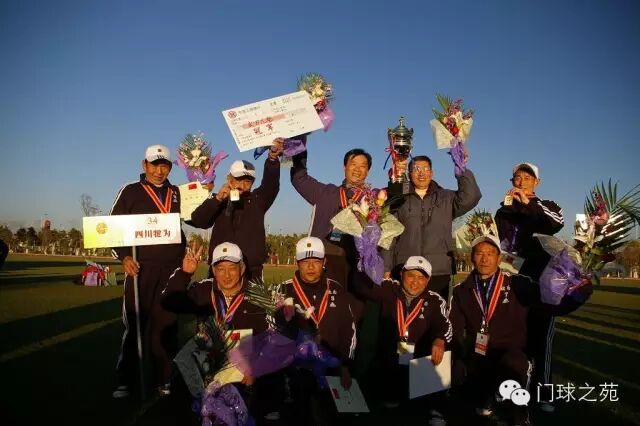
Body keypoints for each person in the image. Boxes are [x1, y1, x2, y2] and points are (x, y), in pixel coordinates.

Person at [449, 235, 591, 425]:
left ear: (499, 258)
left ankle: (520, 417)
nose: (484, 259)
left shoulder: (517, 283)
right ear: (471, 257)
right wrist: (456, 359)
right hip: (479, 353)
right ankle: (485, 394)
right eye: (479, 253)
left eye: (490, 254)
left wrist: (577, 296)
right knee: (472, 397)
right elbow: (455, 328)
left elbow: (548, 305)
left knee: (513, 370)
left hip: (512, 352)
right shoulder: (461, 290)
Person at [161, 242, 280, 422]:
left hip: (244, 367)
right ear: (213, 270)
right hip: (209, 363)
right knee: (180, 388)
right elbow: (168, 302)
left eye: (232, 268)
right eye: (220, 269)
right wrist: (184, 273)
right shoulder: (203, 289)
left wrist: (255, 368)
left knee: (247, 405)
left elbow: (269, 338)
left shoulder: (258, 295)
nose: (226, 275)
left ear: (242, 268)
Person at [110, 144, 186, 398]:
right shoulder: (131, 190)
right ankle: (126, 380)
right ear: (144, 165)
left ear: (170, 168)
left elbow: (196, 217)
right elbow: (112, 227)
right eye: (154, 165)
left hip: (171, 270)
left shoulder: (177, 192)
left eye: (164, 166)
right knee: (135, 326)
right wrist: (124, 257)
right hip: (140, 270)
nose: (159, 171)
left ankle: (164, 379)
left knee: (166, 326)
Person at [494, 162, 564, 411]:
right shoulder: (503, 211)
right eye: (518, 177)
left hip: (542, 284)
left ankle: (544, 393)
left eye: (527, 177)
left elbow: (556, 223)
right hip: (512, 281)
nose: (522, 181)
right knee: (510, 336)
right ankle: (509, 387)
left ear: (537, 182)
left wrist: (528, 204)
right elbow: (498, 243)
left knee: (542, 340)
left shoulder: (547, 206)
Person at [353, 256, 452, 425]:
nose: (415, 282)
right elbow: (363, 286)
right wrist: (363, 261)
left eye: (421, 278)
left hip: (418, 359)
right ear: (402, 274)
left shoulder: (435, 300)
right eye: (411, 276)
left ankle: (436, 408)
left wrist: (440, 340)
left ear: (428, 280)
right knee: (390, 403)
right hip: (390, 357)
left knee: (441, 350)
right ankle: (390, 394)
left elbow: (444, 324)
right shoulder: (389, 288)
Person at [281, 236, 358, 425]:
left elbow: (349, 330)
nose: (310, 266)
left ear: (324, 262)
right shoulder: (282, 290)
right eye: (305, 261)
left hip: (331, 367)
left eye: (315, 261)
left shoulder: (337, 289)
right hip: (297, 370)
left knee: (336, 418)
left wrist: (345, 366)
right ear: (297, 263)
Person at [382, 154, 481, 300]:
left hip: (438, 271)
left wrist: (462, 170)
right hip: (405, 268)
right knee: (404, 312)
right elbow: (389, 235)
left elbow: (471, 197)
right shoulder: (399, 197)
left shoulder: (446, 197)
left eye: (425, 169)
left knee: (436, 312)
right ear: (409, 173)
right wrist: (386, 267)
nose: (421, 173)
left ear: (432, 173)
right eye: (416, 169)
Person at [190, 139, 283, 280]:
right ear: (229, 179)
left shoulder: (258, 200)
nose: (242, 185)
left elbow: (271, 185)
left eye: (247, 181)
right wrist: (218, 199)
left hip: (251, 272)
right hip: (220, 268)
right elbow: (198, 221)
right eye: (238, 179)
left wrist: (272, 160)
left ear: (252, 183)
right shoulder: (217, 199)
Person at [290, 145, 371, 292]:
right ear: (344, 167)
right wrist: (298, 147)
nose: (357, 169)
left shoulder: (373, 201)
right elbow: (299, 179)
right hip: (326, 258)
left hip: (358, 264)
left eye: (363, 166)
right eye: (353, 164)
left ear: (368, 171)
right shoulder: (325, 193)